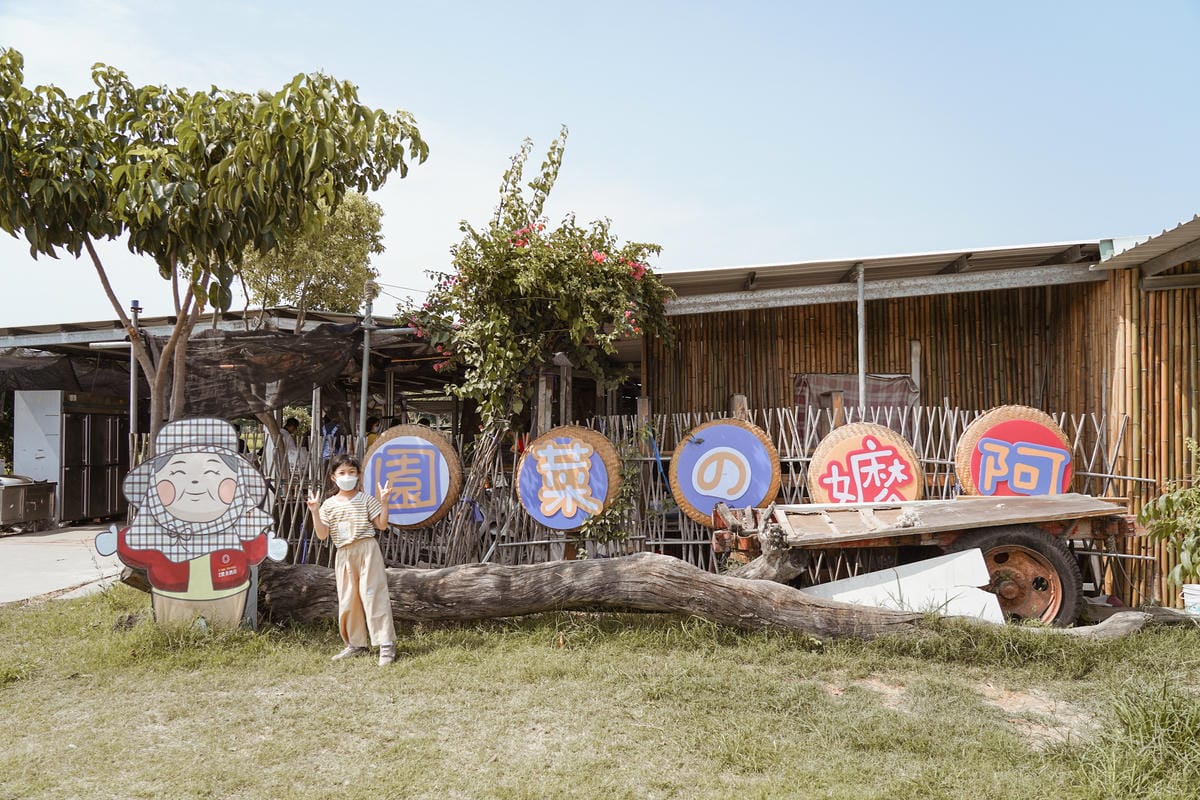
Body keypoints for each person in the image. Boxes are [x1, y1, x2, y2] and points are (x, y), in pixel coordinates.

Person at [306, 454, 398, 666]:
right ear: (333, 477)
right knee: (348, 599)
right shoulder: (328, 505)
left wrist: (384, 503)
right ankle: (356, 644)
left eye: (352, 472)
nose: (347, 476)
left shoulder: (366, 499)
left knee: (374, 595)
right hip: (344, 554)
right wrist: (314, 512)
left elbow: (382, 525)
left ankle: (385, 643)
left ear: (358, 475)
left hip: (367, 549)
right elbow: (322, 534)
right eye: (342, 473)